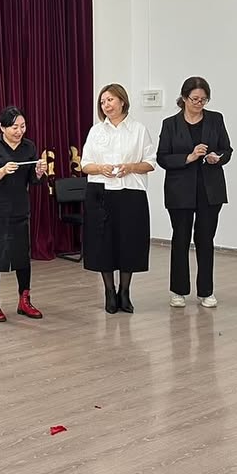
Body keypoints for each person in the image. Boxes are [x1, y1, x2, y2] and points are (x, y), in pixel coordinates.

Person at [80, 83, 157, 314]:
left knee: (129, 243)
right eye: (103, 102)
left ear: (122, 101)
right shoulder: (96, 131)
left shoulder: (138, 129)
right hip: (100, 193)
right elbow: (85, 164)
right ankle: (109, 291)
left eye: (110, 100)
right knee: (103, 244)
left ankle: (125, 291)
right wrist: (100, 168)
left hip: (131, 193)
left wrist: (131, 167)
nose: (106, 105)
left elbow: (150, 162)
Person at [156, 76, 232, 309]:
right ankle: (178, 291)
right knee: (180, 239)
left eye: (203, 99)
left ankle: (206, 291)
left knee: (205, 239)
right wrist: (188, 157)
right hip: (180, 190)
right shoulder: (170, 124)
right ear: (184, 97)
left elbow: (227, 150)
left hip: (210, 189)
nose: (199, 103)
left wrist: (216, 157)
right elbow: (162, 157)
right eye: (195, 99)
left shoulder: (216, 119)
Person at [0, 106, 47, 322]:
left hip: (19, 209)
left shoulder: (29, 146)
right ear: (2, 127)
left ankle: (24, 301)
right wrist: (1, 171)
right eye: (14, 127)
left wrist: (38, 172)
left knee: (22, 258)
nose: (19, 131)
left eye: (23, 126)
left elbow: (33, 180)